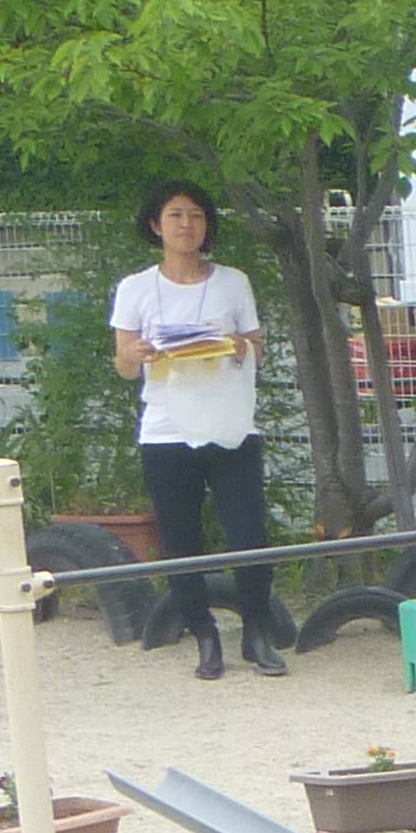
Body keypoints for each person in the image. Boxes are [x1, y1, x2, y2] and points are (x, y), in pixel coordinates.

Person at [110, 180, 286, 680]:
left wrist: (233, 344)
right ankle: (203, 634)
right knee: (180, 537)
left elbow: (254, 346)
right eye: (176, 216)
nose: (186, 225)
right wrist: (135, 354)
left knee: (248, 532)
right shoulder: (136, 288)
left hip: (231, 427)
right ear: (155, 225)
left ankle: (257, 629)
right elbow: (124, 364)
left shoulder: (233, 282)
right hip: (167, 430)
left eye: (196, 216)